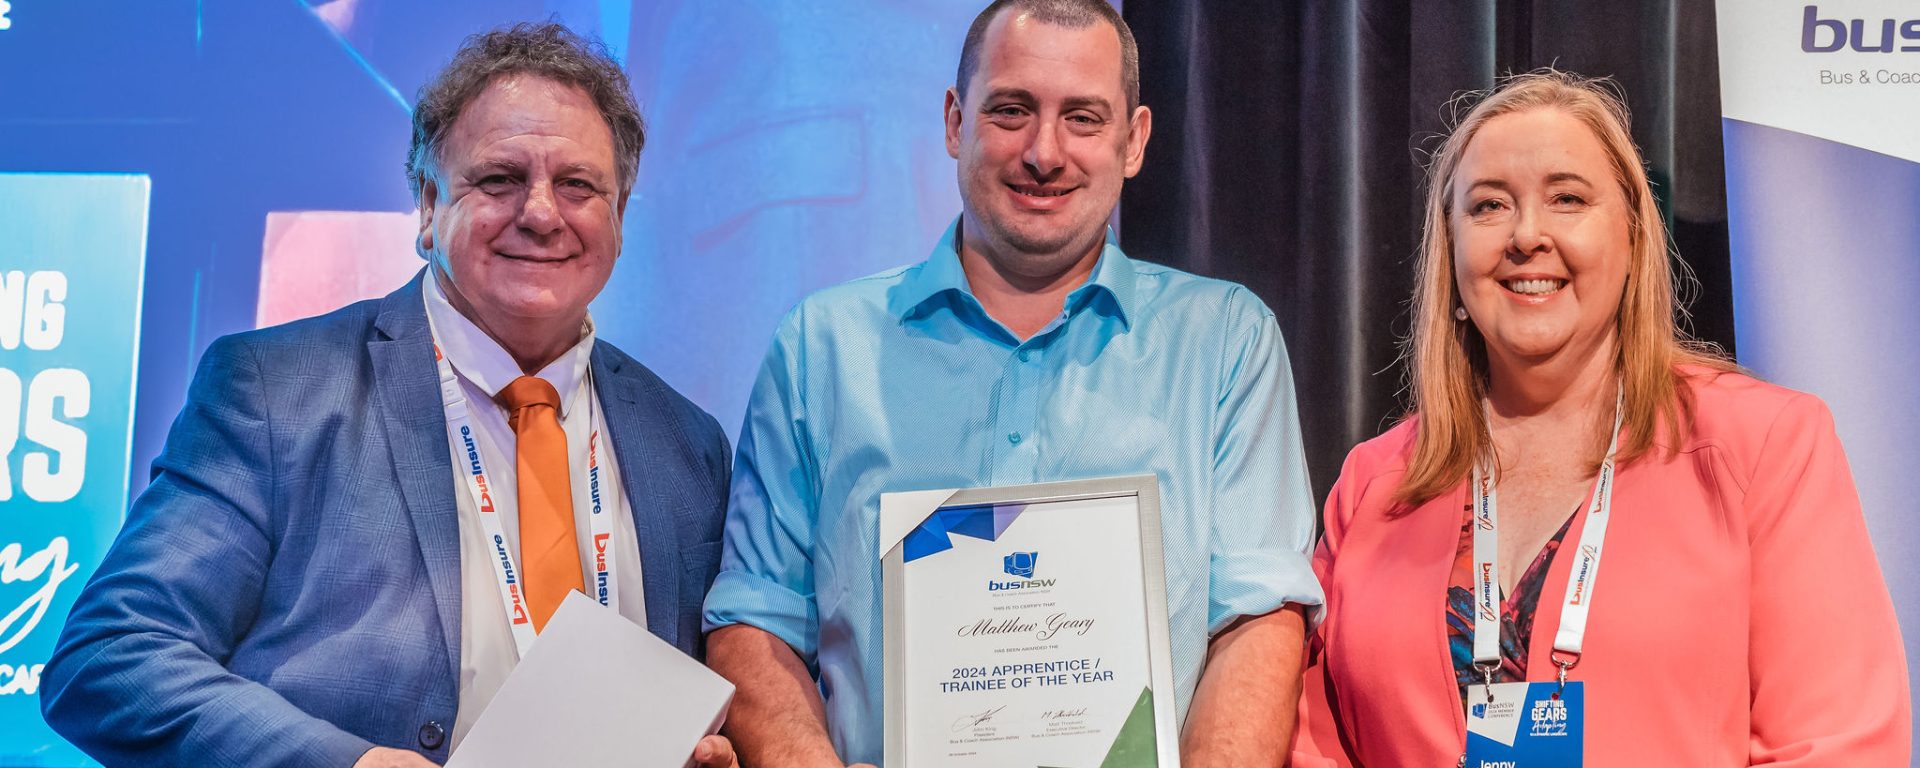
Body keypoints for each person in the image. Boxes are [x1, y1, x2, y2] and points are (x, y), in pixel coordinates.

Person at [40, 23, 738, 768]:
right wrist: (348, 765)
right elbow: (110, 656)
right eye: (499, 179)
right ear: (429, 206)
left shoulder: (687, 442)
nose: (541, 213)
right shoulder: (276, 392)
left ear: (620, 218)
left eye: (579, 185)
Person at [701, 1, 1323, 766]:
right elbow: (752, 621)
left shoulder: (1226, 341)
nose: (1044, 152)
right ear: (956, 121)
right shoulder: (820, 348)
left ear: (1134, 141)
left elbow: (1259, 620)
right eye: (1011, 109)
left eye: (1084, 118)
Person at [1290, 69, 1911, 766]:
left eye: (1567, 199)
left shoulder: (1767, 446)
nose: (1527, 235)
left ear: (1633, 241)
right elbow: (1317, 742)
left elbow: (1839, 745)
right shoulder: (1373, 485)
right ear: (1452, 255)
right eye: (1490, 206)